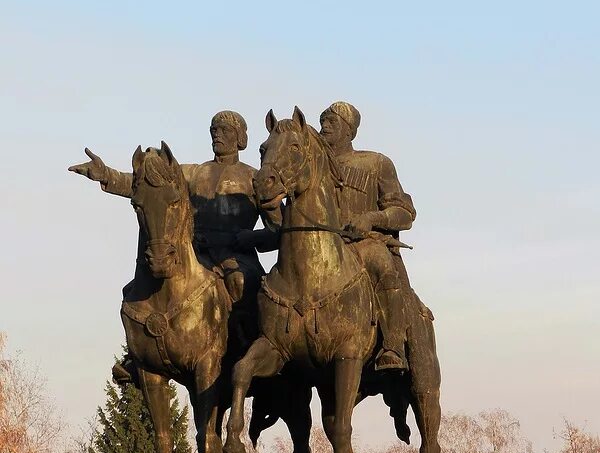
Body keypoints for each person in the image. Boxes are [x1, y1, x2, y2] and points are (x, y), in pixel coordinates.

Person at [69, 111, 277, 377]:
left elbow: (278, 229)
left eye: (225, 130)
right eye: (214, 129)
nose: (217, 134)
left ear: (240, 138)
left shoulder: (254, 178)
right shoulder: (191, 173)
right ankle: (138, 356)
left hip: (236, 256)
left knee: (240, 283)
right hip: (192, 254)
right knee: (138, 289)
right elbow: (146, 186)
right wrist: (106, 175)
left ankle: (252, 350)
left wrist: (251, 238)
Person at [319, 101, 416, 370]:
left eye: (332, 122)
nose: (324, 125)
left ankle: (393, 346)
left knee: (383, 267)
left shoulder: (375, 162)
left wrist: (372, 218)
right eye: (323, 120)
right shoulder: (312, 164)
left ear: (349, 130)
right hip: (322, 247)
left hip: (364, 244)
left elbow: (404, 212)